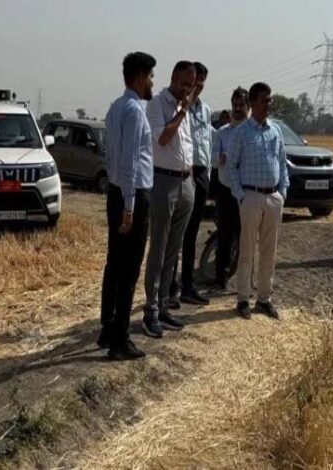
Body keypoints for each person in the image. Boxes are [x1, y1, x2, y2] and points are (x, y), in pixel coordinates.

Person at [99, 52, 156, 361]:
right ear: (139, 77)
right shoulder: (134, 111)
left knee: (114, 265)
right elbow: (131, 161)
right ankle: (120, 339)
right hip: (132, 197)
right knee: (129, 269)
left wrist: (119, 196)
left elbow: (111, 157)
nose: (152, 83)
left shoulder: (115, 107)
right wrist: (130, 206)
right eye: (151, 76)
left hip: (117, 193)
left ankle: (108, 328)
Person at [142, 61, 196, 338]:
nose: (187, 89)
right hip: (163, 182)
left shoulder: (185, 109)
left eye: (191, 85)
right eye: (184, 83)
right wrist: (182, 111)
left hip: (186, 182)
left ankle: (163, 304)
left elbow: (186, 145)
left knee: (173, 250)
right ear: (174, 77)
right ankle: (150, 310)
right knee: (159, 248)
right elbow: (163, 139)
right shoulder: (158, 104)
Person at [227, 82, 288, 320]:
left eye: (269, 100)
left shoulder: (275, 130)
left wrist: (282, 192)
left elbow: (282, 163)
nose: (268, 104)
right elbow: (231, 167)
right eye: (264, 100)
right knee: (247, 250)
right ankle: (243, 298)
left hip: (273, 197)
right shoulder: (241, 132)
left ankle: (264, 298)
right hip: (250, 197)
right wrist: (241, 196)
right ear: (252, 103)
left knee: (269, 251)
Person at [172, 61, 212, 307]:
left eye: (203, 82)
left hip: (202, 172)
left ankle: (187, 285)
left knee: (192, 233)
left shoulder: (205, 110)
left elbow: (207, 140)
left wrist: (208, 171)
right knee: (177, 232)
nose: (199, 85)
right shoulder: (178, 106)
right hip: (183, 171)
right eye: (196, 80)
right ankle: (170, 287)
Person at [212, 87, 250, 289]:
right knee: (225, 236)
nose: (237, 108)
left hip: (247, 192)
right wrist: (221, 158)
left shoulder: (253, 133)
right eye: (235, 105)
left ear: (248, 107)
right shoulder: (222, 133)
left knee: (246, 237)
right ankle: (221, 279)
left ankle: (243, 280)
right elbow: (212, 160)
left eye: (241, 105)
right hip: (226, 191)